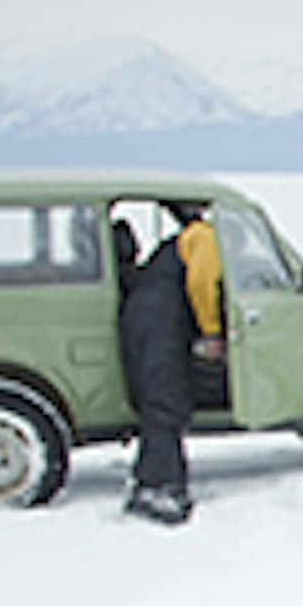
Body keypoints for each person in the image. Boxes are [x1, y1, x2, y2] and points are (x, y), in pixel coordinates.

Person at [114, 205, 214, 524]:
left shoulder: (176, 245)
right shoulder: (203, 237)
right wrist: (211, 330)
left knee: (157, 399)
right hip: (161, 321)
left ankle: (151, 477)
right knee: (166, 401)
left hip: (143, 316)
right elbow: (202, 283)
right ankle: (159, 487)